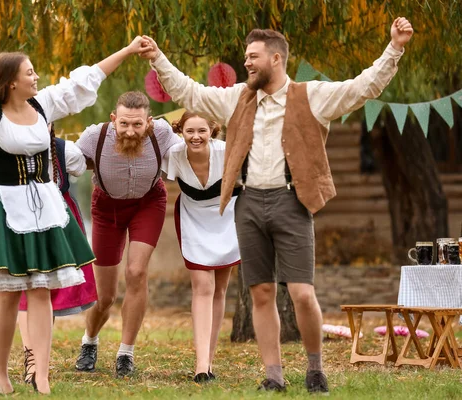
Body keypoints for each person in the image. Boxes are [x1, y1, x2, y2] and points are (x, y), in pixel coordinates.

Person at [141, 17, 413, 393]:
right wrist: (158, 58)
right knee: (261, 292)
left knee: (302, 292)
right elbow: (191, 93)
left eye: (253, 57)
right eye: (246, 57)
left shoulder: (311, 95)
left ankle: (315, 367)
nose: (247, 63)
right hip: (248, 202)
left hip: (292, 201)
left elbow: (361, 88)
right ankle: (274, 374)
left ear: (276, 59)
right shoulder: (236, 98)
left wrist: (394, 48)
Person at [0, 26, 150, 394]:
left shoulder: (42, 105)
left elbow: (87, 79)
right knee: (8, 293)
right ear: (11, 82)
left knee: (40, 289)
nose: (36, 77)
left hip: (45, 207)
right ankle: (1, 373)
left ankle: (42, 374)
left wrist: (127, 50)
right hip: (4, 206)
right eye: (29, 72)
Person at [74, 91, 182, 377]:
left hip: (148, 203)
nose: (131, 131)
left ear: (149, 121)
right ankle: (90, 341)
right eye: (124, 124)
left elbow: (192, 156)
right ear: (114, 120)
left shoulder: (163, 135)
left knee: (136, 272)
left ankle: (126, 353)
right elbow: (67, 163)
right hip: (106, 207)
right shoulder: (93, 137)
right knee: (104, 295)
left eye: (137, 125)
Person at [0, 123, 97, 385]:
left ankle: (38, 360)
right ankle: (31, 359)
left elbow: (82, 166)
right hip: (16, 219)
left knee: (44, 291)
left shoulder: (63, 150)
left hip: (56, 221)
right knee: (20, 291)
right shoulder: (6, 147)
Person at [164, 111, 240, 383]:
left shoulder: (226, 151)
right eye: (189, 131)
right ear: (180, 132)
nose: (195, 137)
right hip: (194, 218)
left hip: (226, 217)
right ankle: (200, 366)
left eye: (201, 131)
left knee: (220, 288)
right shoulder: (173, 155)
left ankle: (209, 359)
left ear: (212, 131)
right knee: (203, 286)